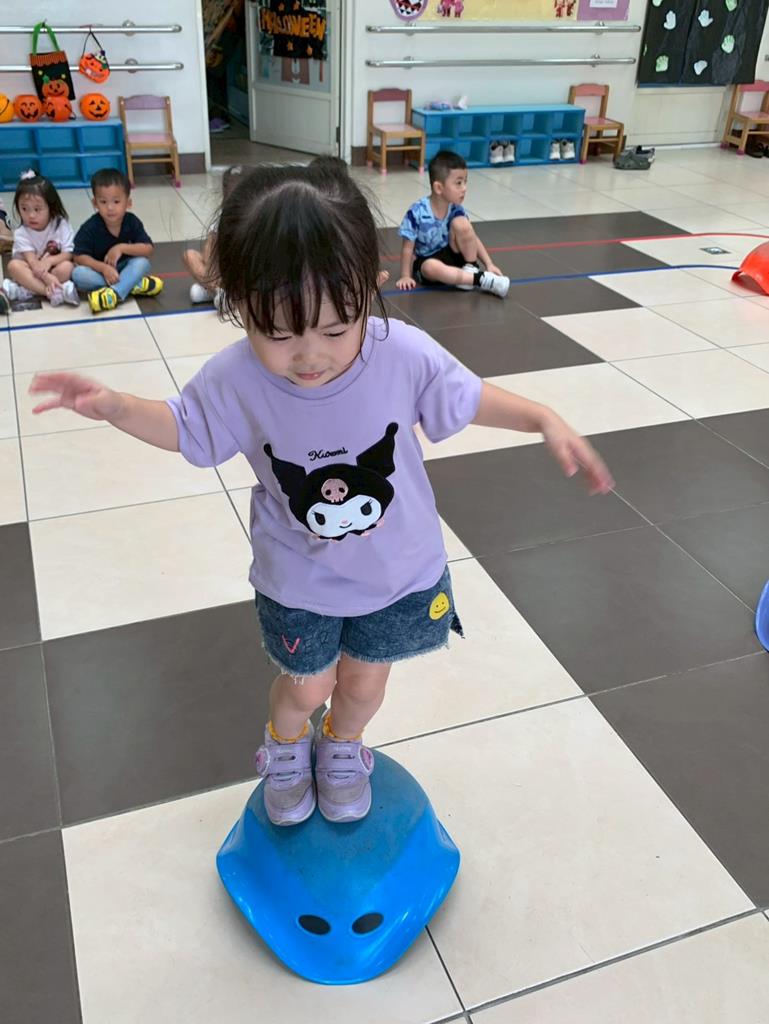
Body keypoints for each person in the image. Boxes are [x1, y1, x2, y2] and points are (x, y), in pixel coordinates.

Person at [29, 157, 613, 829]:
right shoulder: (236, 379)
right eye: (277, 333)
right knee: (306, 688)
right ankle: (285, 748)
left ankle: (342, 746)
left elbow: (467, 396)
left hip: (397, 572)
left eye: (335, 329)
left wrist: (543, 417)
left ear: (369, 287)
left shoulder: (400, 352)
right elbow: (186, 428)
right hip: (299, 579)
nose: (309, 355)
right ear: (236, 303)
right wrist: (115, 406)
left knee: (363, 686)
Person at [397, 149, 510, 298]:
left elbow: (472, 238)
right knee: (430, 267)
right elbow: (407, 248)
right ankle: (480, 280)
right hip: (428, 261)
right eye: (458, 183)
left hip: (454, 256)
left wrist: (489, 263)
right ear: (439, 187)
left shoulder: (456, 209)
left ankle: (471, 269)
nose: (464, 188)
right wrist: (405, 275)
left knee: (462, 224)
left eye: (465, 182)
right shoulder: (416, 212)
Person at [72, 167, 163, 315]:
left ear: (128, 203)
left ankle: (113, 294)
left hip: (127, 267)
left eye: (116, 201)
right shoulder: (90, 227)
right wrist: (103, 268)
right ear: (95, 203)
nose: (110, 207)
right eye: (103, 202)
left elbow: (148, 249)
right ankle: (131, 284)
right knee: (78, 274)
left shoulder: (132, 221)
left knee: (142, 263)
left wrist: (121, 248)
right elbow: (78, 257)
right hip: (101, 273)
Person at [2, 170, 79, 308]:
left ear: (51, 206)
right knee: (13, 266)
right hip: (31, 270)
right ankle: (52, 292)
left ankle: (26, 290)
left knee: (67, 267)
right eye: (24, 209)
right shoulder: (21, 233)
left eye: (37, 209)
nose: (31, 215)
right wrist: (47, 278)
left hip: (53, 269)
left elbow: (68, 253)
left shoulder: (60, 224)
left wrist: (49, 261)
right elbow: (32, 261)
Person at [183, 164, 245, 306]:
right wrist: (211, 270)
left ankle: (215, 289)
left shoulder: (251, 212)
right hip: (220, 270)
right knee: (189, 255)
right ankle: (218, 291)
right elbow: (209, 247)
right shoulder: (221, 215)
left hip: (239, 270)